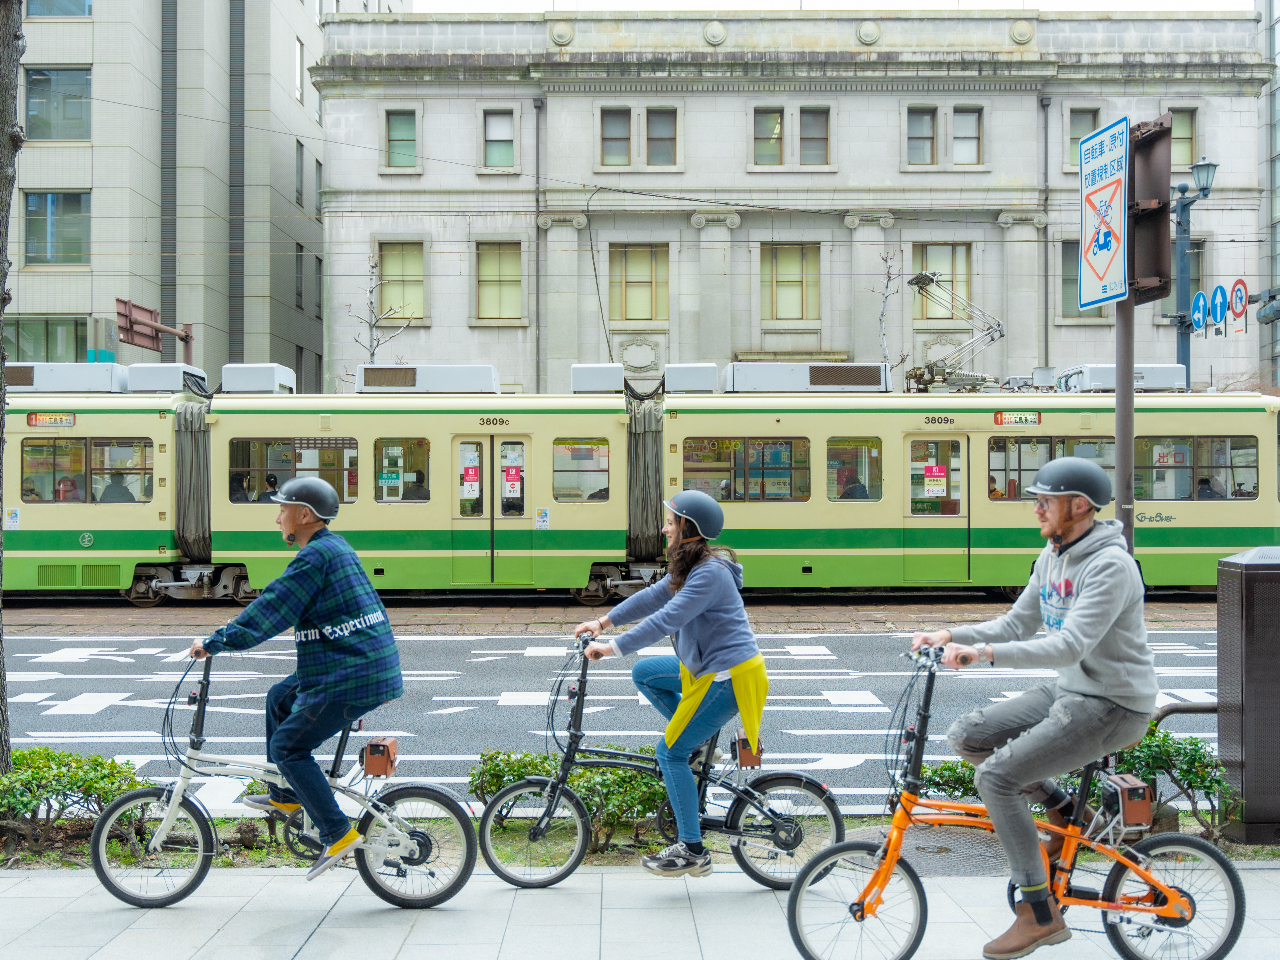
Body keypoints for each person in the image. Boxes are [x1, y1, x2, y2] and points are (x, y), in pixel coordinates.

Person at [911, 457, 1155, 960]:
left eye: (1046, 500)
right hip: (1072, 692)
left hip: (1113, 703)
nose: (1037, 509)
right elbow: (1018, 623)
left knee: (996, 778)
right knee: (969, 736)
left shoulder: (1111, 566)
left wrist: (982, 655)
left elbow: (1069, 646)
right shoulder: (1052, 555)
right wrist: (952, 635)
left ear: (1079, 505)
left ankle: (1039, 914)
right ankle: (1069, 814)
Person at [188, 477, 403, 880]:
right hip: (356, 664)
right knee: (278, 696)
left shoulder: (314, 559)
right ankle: (285, 796)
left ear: (304, 515)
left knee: (288, 747)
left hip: (351, 673)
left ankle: (337, 833)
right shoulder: (333, 547)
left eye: (283, 509)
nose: (277, 518)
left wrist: (214, 643)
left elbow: (271, 610)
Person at [573, 489, 768, 879]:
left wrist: (611, 647)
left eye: (670, 522)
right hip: (701, 668)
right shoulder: (692, 567)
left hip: (727, 677)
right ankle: (694, 743)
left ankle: (693, 850)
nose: (664, 529)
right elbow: (650, 598)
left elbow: (667, 618)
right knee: (645, 674)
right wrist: (602, 622)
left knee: (670, 754)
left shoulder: (710, 573)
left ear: (688, 529)